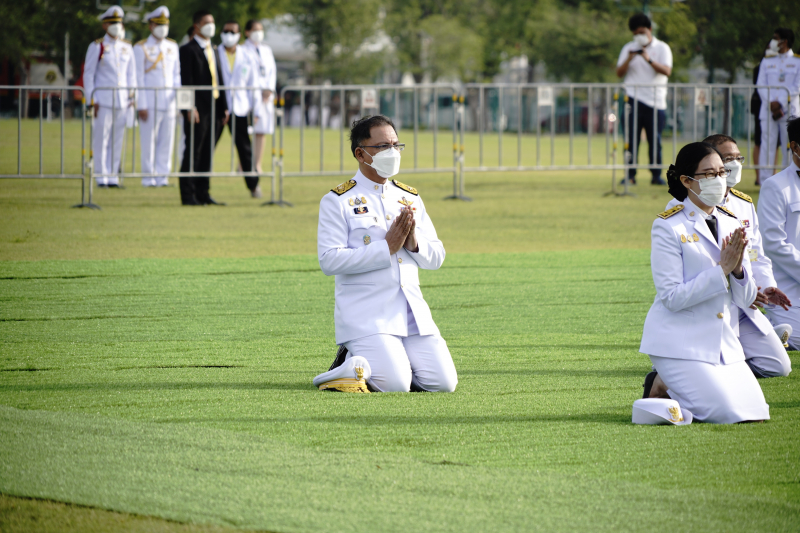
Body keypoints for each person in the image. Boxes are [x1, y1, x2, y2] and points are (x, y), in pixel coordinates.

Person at [315, 115, 458, 393]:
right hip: (368, 315)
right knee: (395, 385)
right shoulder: (338, 201)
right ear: (360, 154)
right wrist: (386, 248)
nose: (392, 152)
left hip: (411, 313)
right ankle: (346, 363)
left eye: (396, 145)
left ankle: (388, 364)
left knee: (443, 384)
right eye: (383, 146)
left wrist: (414, 243)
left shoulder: (409, 197)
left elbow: (437, 256)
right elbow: (329, 260)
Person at [640, 142, 770, 424]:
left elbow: (746, 299)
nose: (719, 179)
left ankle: (665, 385)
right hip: (680, 342)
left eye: (722, 172)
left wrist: (738, 271)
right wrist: (722, 270)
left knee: (756, 413)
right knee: (727, 414)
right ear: (687, 181)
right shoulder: (668, 226)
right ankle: (663, 383)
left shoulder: (732, 221)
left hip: (723, 341)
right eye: (709, 174)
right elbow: (671, 297)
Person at [665, 134, 792, 378]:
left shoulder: (742, 205)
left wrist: (764, 286)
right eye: (726, 160)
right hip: (707, 304)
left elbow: (755, 254)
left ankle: (738, 357)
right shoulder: (679, 210)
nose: (732, 166)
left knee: (779, 367)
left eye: (737, 159)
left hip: (743, 303)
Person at [615, 12, 672, 186]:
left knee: (655, 140)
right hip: (632, 99)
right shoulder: (628, 48)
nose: (638, 36)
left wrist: (649, 60)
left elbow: (667, 71)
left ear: (650, 29)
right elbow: (619, 73)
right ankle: (630, 175)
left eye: (641, 32)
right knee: (631, 140)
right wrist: (630, 58)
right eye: (635, 33)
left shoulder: (662, 48)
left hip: (655, 101)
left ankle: (656, 175)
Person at [178, 10, 228, 206]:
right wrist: (189, 107)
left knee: (207, 152)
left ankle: (203, 192)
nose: (211, 26)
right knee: (194, 151)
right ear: (197, 26)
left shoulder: (213, 48)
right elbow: (186, 82)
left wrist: (224, 107)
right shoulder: (187, 50)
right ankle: (188, 194)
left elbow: (219, 79)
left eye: (212, 22)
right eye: (207, 22)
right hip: (198, 109)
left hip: (214, 107)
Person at [758, 116, 800, 351]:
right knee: (797, 340)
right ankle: (761, 327)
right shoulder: (776, 186)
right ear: (795, 147)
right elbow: (773, 243)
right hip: (789, 288)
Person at [83, 6, 136, 188]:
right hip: (103, 100)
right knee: (101, 139)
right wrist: (92, 99)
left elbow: (131, 75)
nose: (116, 25)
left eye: (118, 22)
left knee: (117, 140)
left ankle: (113, 176)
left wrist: (131, 97)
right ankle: (101, 176)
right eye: (112, 22)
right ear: (105, 25)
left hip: (122, 100)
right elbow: (89, 74)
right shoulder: (97, 46)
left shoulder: (127, 47)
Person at [134, 6, 180, 188]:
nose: (162, 28)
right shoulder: (141, 47)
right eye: (159, 25)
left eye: (165, 25)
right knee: (148, 142)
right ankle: (148, 177)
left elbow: (176, 75)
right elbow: (138, 78)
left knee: (166, 141)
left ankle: (162, 176)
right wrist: (141, 104)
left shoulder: (172, 46)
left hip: (168, 102)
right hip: (149, 102)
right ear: (151, 26)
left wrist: (177, 99)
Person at [216, 21, 260, 198]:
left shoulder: (247, 55)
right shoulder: (214, 53)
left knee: (245, 149)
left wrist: (256, 110)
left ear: (239, 35)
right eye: (225, 31)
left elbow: (253, 84)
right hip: (219, 108)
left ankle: (254, 186)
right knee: (207, 146)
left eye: (232, 32)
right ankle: (199, 186)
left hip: (240, 108)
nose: (228, 35)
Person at [756, 28, 800, 183]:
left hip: (789, 110)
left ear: (784, 41)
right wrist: (771, 103)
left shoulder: (797, 61)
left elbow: (797, 86)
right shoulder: (767, 60)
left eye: (775, 38)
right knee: (767, 144)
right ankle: (765, 180)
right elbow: (761, 85)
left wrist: (780, 102)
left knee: (790, 145)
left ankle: (789, 178)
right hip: (768, 110)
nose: (772, 41)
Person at [242, 19, 277, 186]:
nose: (258, 33)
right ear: (247, 32)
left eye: (260, 30)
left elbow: (272, 71)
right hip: (250, 95)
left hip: (265, 97)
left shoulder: (266, 50)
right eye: (255, 29)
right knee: (246, 133)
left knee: (261, 131)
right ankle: (243, 164)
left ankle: (257, 163)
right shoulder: (242, 50)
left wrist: (269, 89)